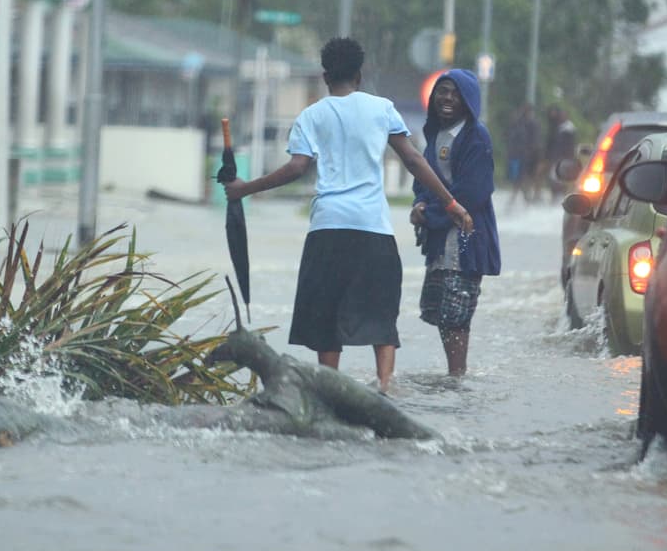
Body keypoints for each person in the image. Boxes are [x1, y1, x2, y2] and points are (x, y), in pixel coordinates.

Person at [221, 38, 472, 392]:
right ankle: (385, 386)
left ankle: (332, 387)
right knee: (381, 314)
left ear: (325, 76)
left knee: (326, 317)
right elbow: (414, 160)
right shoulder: (382, 108)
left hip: (328, 229)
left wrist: (245, 189)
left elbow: (296, 168)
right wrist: (451, 203)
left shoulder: (311, 115)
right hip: (374, 229)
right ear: (359, 73)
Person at [410, 70, 501, 376]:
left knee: (458, 311)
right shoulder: (435, 136)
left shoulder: (476, 137)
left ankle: (457, 378)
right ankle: (454, 375)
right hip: (439, 237)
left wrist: (432, 214)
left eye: (454, 93)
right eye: (442, 92)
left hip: (466, 237)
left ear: (468, 101)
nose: (447, 98)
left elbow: (474, 191)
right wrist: (419, 203)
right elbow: (423, 179)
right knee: (441, 309)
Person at [504, 102, 542, 206]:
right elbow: (511, 140)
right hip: (519, 156)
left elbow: (535, 142)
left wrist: (534, 156)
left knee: (526, 179)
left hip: (528, 156)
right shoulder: (518, 124)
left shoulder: (533, 124)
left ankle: (525, 200)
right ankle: (525, 200)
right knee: (519, 179)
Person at [542, 104, 578, 200]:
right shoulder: (559, 127)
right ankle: (555, 197)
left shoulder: (569, 128)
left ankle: (562, 197)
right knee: (554, 176)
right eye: (561, 114)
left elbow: (570, 145)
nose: (562, 116)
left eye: (564, 114)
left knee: (562, 177)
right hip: (557, 156)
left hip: (565, 157)